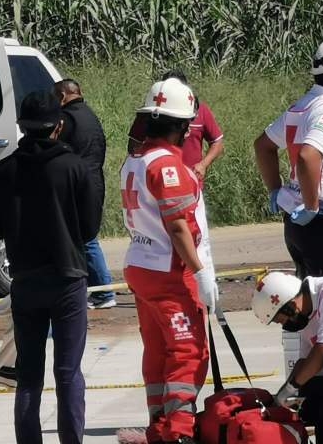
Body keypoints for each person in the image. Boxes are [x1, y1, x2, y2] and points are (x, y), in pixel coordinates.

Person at [0, 90, 100, 444]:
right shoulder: (74, 168)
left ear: (21, 127)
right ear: (58, 126)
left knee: (29, 376)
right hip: (67, 279)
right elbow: (90, 228)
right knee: (68, 374)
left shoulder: (4, 170)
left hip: (26, 281)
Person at [121, 77, 219, 444]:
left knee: (159, 349)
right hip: (168, 271)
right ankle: (178, 432)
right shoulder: (168, 167)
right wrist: (201, 271)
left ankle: (159, 426)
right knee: (188, 349)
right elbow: (178, 228)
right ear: (182, 126)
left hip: (141, 265)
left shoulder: (135, 161)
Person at [255, 40, 323, 278]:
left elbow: (263, 145)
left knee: (310, 303)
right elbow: (308, 156)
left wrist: (275, 189)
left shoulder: (301, 106)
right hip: (319, 219)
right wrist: (311, 207)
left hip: (295, 220)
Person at [55, 78, 114, 310]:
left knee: (85, 239)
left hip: (79, 185)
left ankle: (103, 291)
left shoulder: (67, 119)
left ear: (62, 96)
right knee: (87, 235)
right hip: (95, 181)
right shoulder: (90, 115)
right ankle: (99, 290)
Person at [251, 271, 323, 441]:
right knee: (308, 405)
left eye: (281, 320)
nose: (284, 326)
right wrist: (281, 397)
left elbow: (322, 350)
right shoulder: (308, 313)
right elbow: (305, 363)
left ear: (290, 306)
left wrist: (291, 388)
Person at [128, 70, 225, 185]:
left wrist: (203, 165)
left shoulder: (201, 110)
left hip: (191, 180)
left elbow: (217, 143)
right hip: (156, 179)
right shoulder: (149, 114)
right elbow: (134, 145)